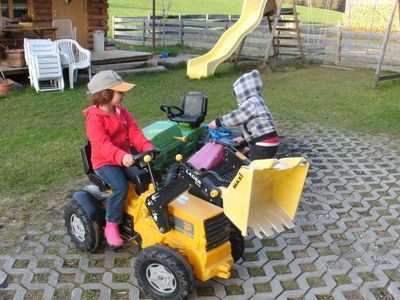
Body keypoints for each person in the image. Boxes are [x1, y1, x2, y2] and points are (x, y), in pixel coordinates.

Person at [83, 70, 154, 248]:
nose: (123, 95)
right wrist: (121, 157)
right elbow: (102, 145)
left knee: (147, 175)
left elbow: (134, 132)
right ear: (105, 94)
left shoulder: (121, 112)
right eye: (119, 92)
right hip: (105, 162)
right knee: (120, 186)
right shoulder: (94, 119)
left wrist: (147, 148)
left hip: (124, 157)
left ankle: (143, 213)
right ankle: (112, 224)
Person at [208, 69, 279, 160]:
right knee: (262, 160)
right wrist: (243, 138)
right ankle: (248, 153)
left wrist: (218, 122)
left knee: (255, 166)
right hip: (268, 140)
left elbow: (237, 117)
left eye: (237, 96)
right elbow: (254, 127)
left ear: (244, 92)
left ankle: (256, 171)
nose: (237, 99)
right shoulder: (257, 100)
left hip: (263, 143)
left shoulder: (251, 102)